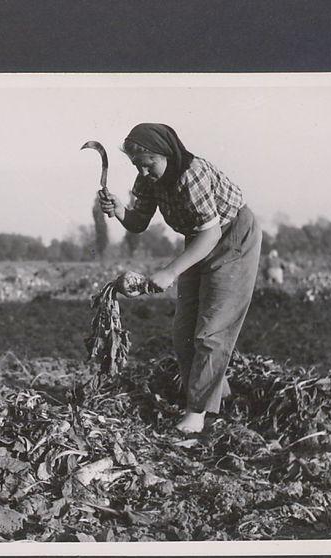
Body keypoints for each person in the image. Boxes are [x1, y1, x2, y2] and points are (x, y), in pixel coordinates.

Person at [98, 123, 262, 434]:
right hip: (198, 241)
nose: (144, 173)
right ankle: (222, 399)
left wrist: (171, 271)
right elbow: (138, 222)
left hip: (233, 238)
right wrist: (120, 209)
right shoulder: (148, 180)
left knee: (211, 332)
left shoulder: (192, 173)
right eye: (138, 166)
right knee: (184, 332)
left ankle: (197, 415)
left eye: (149, 165)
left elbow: (211, 233)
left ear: (166, 154)